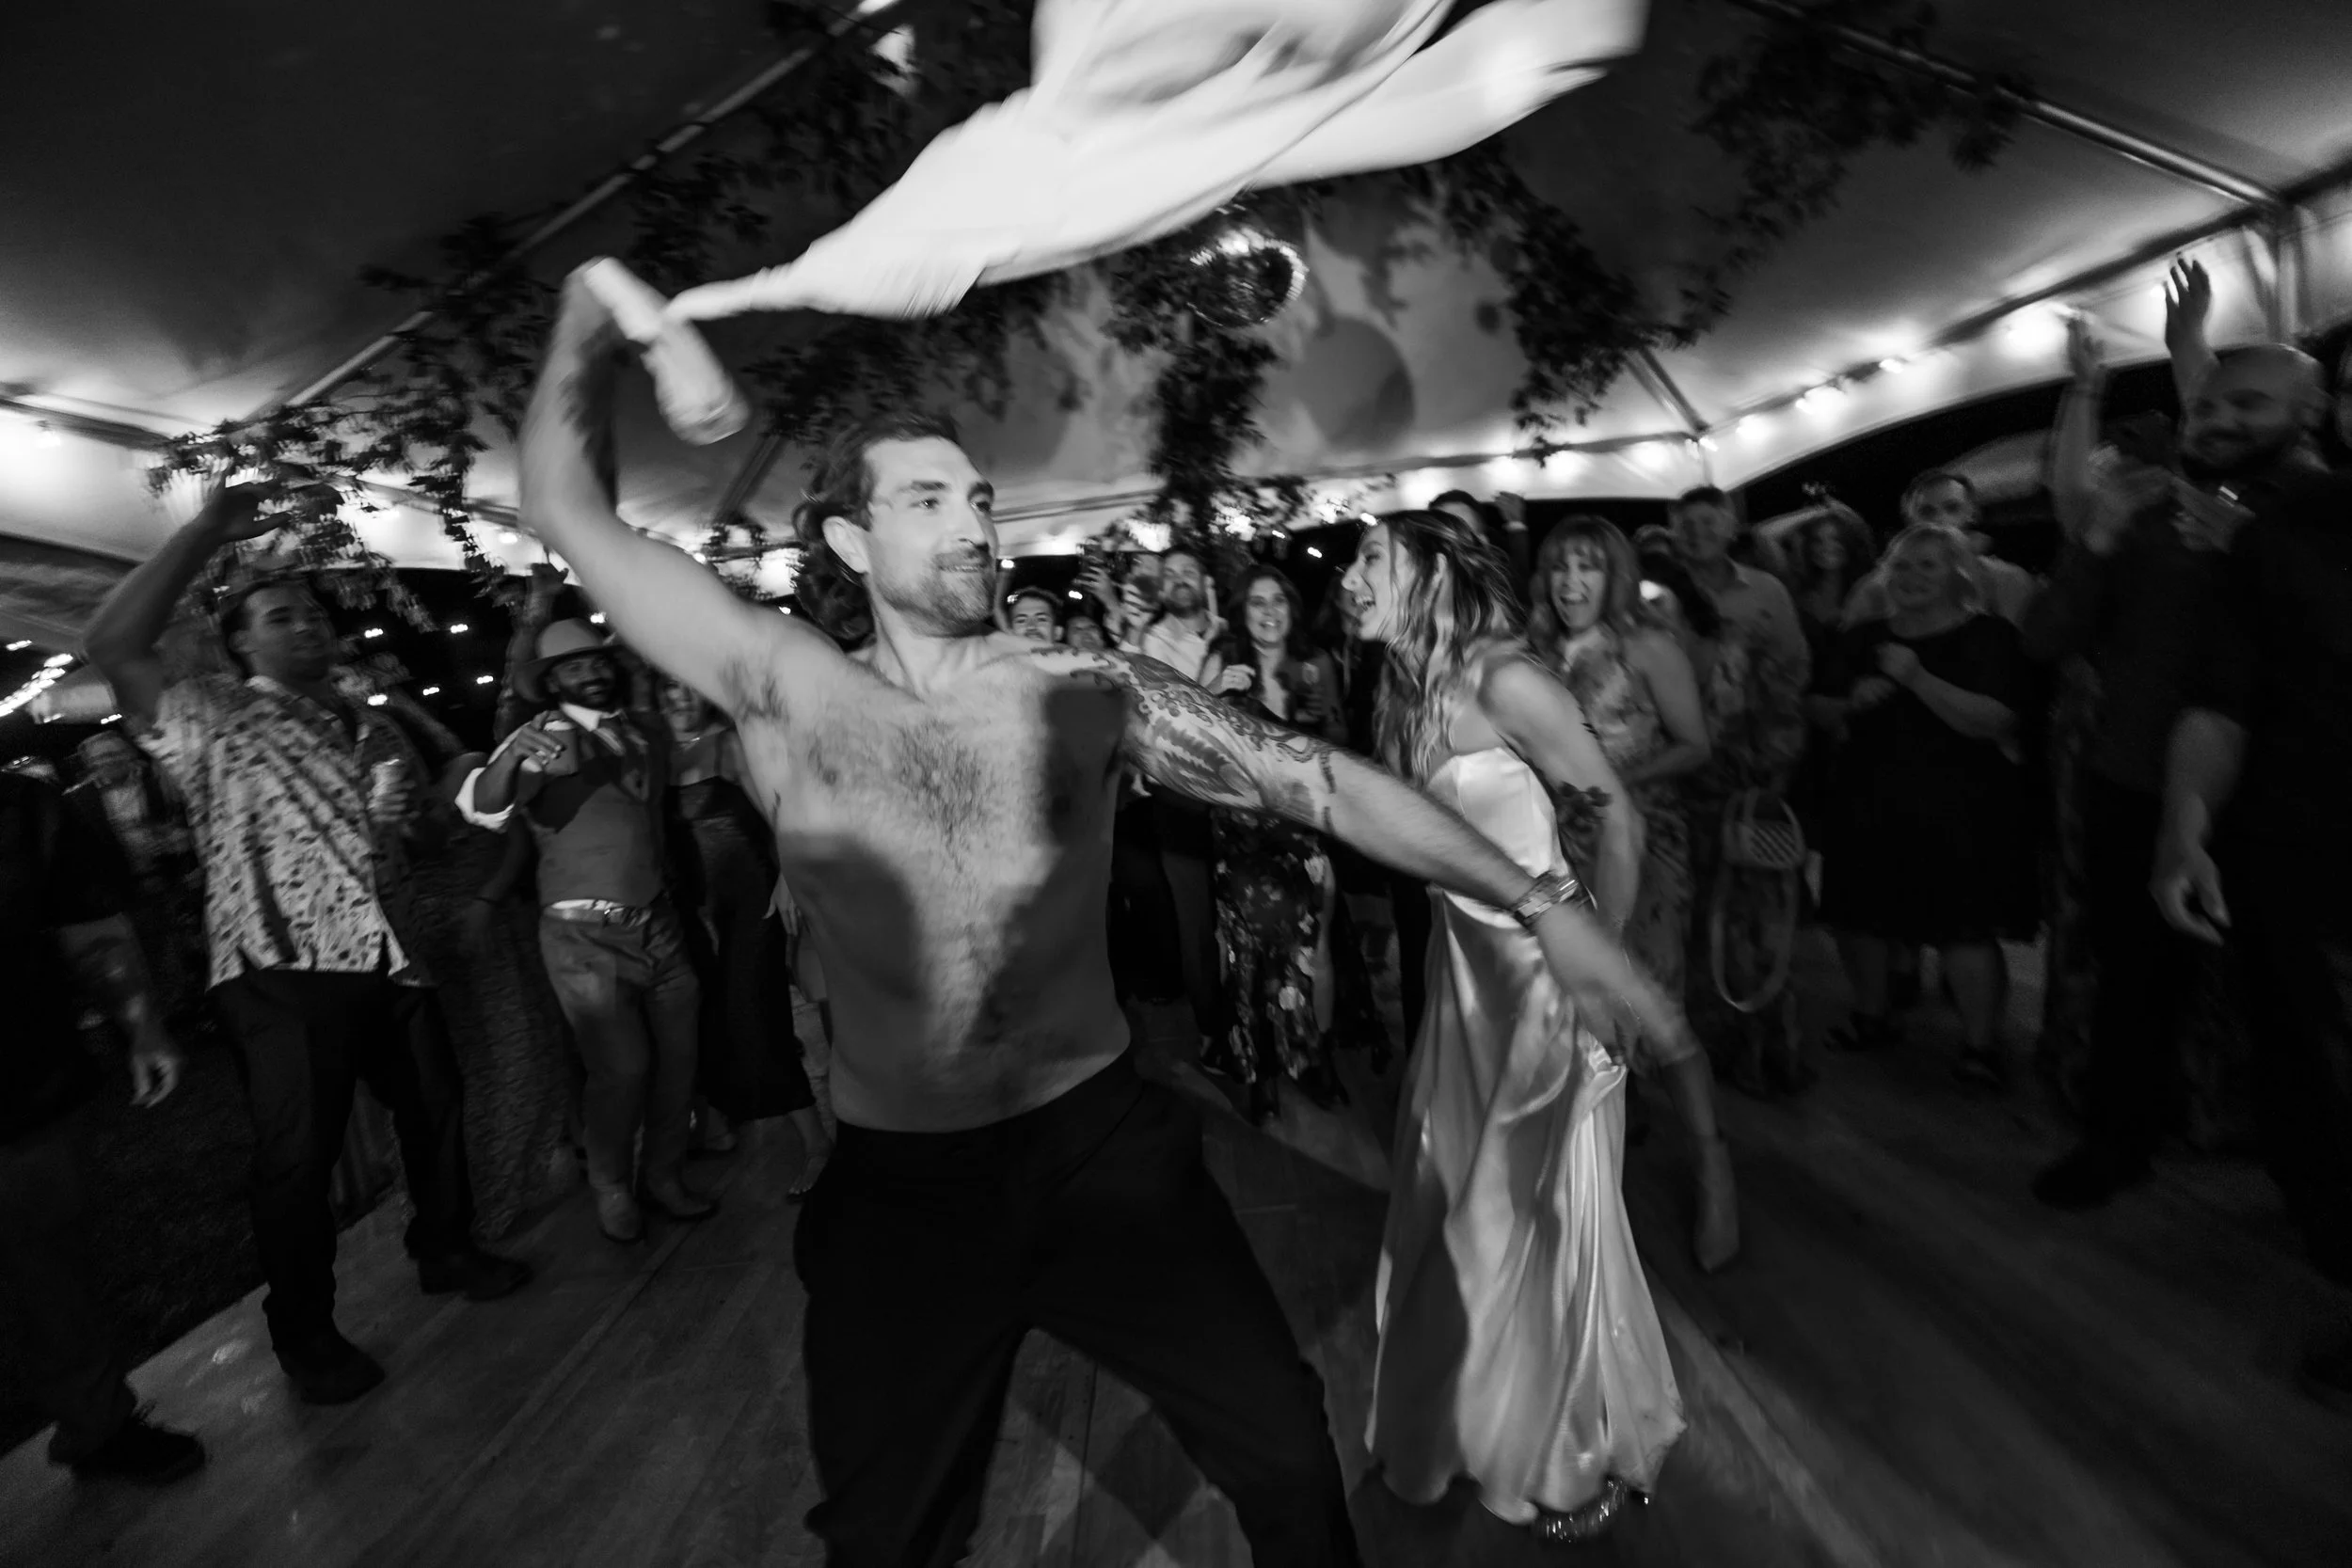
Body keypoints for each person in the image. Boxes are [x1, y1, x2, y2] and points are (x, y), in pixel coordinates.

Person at [516, 265, 1687, 1568]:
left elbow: (1313, 776)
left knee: (1286, 1453)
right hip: (906, 1189)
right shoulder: (785, 686)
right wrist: (602, 301)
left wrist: (1542, 902)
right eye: (927, 500)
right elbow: (565, 502)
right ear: (849, 540)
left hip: (1102, 1146)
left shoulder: (1086, 684)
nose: (973, 524)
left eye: (978, 498)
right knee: (888, 1534)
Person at [84, 524, 530, 1408]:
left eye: (315, 612)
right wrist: (213, 521)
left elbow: (424, 835)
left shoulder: (370, 723)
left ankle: (445, 1246)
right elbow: (110, 644)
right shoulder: (208, 712)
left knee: (436, 1109)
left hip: (391, 953)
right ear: (237, 640)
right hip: (280, 965)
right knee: (299, 1156)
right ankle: (305, 1331)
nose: (309, 625)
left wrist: (419, 812)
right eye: (281, 616)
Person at [1343, 509, 1684, 1544]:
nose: (1347, 578)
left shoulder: (1507, 681)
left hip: (1544, 982)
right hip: (1464, 986)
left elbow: (1615, 815)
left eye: (1369, 558)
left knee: (1524, 1215)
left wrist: (1608, 971)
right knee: (1449, 1203)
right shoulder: (1404, 687)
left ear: (1435, 573)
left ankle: (1549, 1443)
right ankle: (1457, 1424)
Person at [2028, 336, 2330, 1206]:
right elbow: (2046, 638)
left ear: (2307, 415)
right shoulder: (2147, 509)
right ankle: (2118, 1142)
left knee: (2293, 1005)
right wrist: (2099, 535)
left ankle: (2305, 1182)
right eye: (2207, 404)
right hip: (2136, 786)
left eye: (2251, 405)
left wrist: (2259, 548)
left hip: (2283, 806)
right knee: (2134, 982)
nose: (2220, 419)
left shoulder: (2323, 515)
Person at [2153, 450, 2352, 1395]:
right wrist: (2183, 829)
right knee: (2324, 1087)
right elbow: (2220, 705)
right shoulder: (2285, 537)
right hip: (2318, 857)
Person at [459, 620, 713, 1244]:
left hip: (659, 922)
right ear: (551, 681)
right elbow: (484, 808)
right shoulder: (543, 737)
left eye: (597, 663)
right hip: (584, 938)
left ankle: (663, 1173)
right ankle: (611, 1185)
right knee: (622, 1068)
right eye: (574, 668)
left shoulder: (641, 729)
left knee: (679, 1060)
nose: (593, 673)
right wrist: (512, 756)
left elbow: (655, 825)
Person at [1531, 517, 1740, 1271]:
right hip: (1564, 850)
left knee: (1656, 1004)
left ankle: (1714, 1170)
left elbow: (1696, 743)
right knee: (1583, 1010)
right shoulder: (1539, 653)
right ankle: (1594, 1180)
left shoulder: (1649, 646)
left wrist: (1618, 784)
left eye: (1586, 566)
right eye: (1559, 566)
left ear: (1613, 575)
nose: (1570, 582)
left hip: (1645, 845)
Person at [0, 767, 203, 1483]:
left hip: (25, 1087)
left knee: (50, 1266)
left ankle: (97, 1424)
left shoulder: (23, 808)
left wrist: (143, 1025)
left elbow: (91, 925)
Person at [1818, 526, 2035, 1084]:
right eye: (1903, 566)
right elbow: (1814, 703)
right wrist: (1846, 703)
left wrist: (1916, 678)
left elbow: (1995, 721)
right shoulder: (1862, 636)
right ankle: (1872, 1016)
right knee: (1858, 916)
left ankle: (1980, 1045)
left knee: (1964, 927)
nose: (1911, 577)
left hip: (1961, 808)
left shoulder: (1990, 638)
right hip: (1866, 800)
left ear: (1959, 575)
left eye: (1928, 566)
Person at [1200, 564, 1382, 1123]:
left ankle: (1316, 1059)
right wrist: (1212, 695)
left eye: (1278, 600)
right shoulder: (1224, 663)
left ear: (1292, 609)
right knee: (1245, 958)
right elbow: (1192, 744)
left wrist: (1323, 724)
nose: (1268, 611)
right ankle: (1258, 1073)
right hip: (1242, 837)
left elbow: (1342, 747)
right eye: (1256, 602)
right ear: (1242, 611)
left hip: (1303, 832)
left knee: (1314, 951)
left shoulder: (1315, 665)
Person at [658, 673, 833, 1196]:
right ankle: (718, 1124)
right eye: (670, 689)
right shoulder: (649, 753)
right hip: (692, 912)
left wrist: (788, 879)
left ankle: (817, 1145)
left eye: (689, 688)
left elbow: (779, 814)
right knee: (708, 1021)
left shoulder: (729, 743)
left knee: (758, 1018)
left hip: (751, 902)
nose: (682, 698)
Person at [1670, 485, 1811, 1090]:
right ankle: (1704, 1045)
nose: (1698, 532)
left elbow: (1789, 678)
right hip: (1677, 776)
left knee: (1755, 912)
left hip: (1748, 773)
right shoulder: (1657, 595)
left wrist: (1776, 762)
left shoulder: (1767, 592)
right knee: (1693, 912)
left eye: (1709, 521)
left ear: (1731, 527)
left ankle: (1765, 1048)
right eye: (1687, 524)